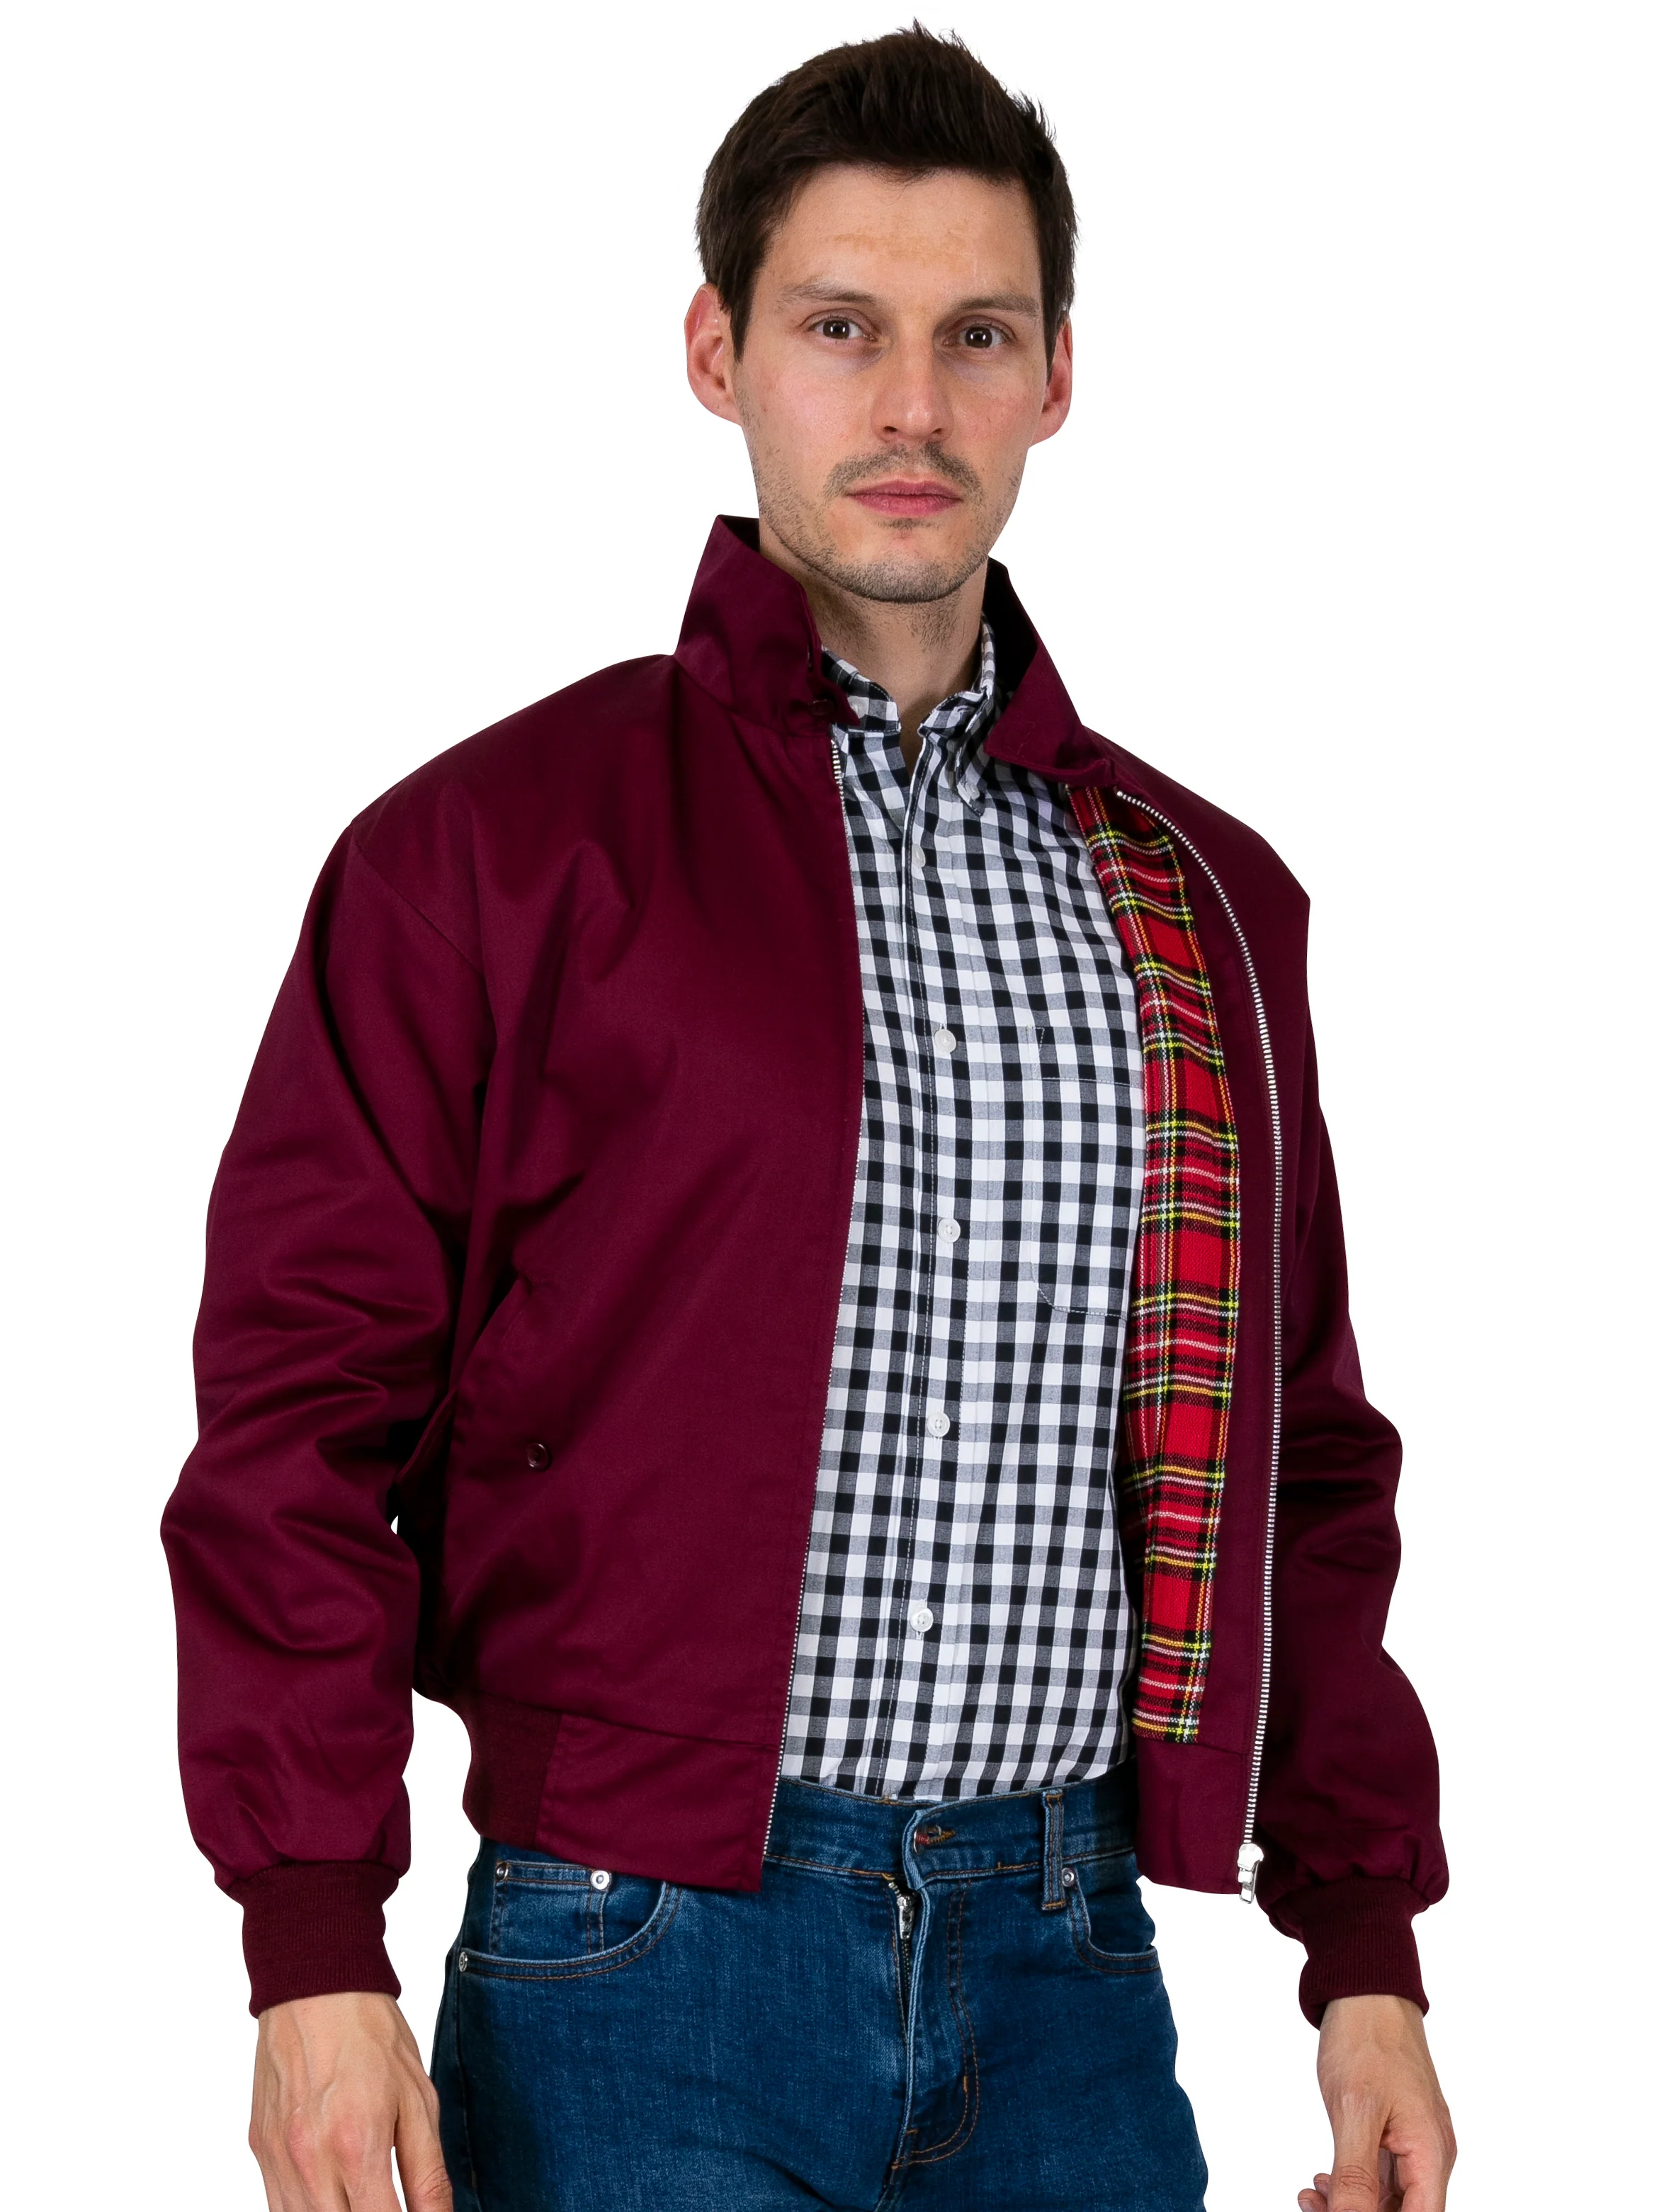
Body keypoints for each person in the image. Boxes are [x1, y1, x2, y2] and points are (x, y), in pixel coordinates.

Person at [162, 28, 1454, 2212]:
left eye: (977, 337)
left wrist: (1364, 1957)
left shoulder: (1200, 902)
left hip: (1067, 1971)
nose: (910, 406)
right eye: (841, 328)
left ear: (1056, 378)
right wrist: (310, 1946)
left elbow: (1299, 1450)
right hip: (640, 1957)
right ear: (718, 352)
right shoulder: (498, 852)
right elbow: (296, 1416)